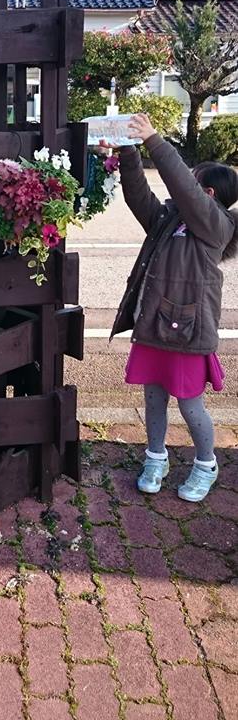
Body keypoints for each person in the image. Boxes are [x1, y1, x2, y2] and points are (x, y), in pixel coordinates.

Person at [109, 114, 238, 502]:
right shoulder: (170, 220)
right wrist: (128, 150)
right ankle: (156, 458)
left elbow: (181, 185)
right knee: (153, 398)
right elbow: (139, 198)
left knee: (190, 403)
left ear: (208, 196)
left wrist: (155, 141)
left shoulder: (215, 226)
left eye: (194, 183)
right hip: (155, 323)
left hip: (189, 329)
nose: (185, 189)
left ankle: (205, 464)